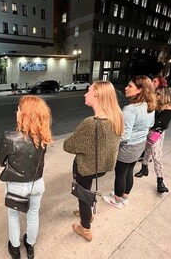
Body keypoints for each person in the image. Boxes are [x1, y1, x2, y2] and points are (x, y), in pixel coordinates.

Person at [63, 81, 124, 242]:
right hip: (103, 166)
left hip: (86, 167)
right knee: (87, 191)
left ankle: (86, 228)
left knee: (82, 195)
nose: (85, 93)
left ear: (97, 94)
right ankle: (87, 214)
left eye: (88, 90)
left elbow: (68, 146)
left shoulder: (91, 123)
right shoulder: (116, 117)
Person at [0, 95, 52, 259]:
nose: (17, 111)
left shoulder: (10, 137)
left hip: (16, 185)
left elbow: (1, 161)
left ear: (24, 114)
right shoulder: (44, 136)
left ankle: (15, 248)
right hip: (37, 184)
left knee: (13, 215)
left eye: (19, 108)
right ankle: (30, 246)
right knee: (33, 214)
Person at [103, 76, 156, 209]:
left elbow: (124, 135)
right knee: (129, 171)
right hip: (139, 145)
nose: (126, 88)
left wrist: (110, 142)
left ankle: (117, 200)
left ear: (140, 90)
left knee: (120, 173)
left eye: (130, 86)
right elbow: (151, 124)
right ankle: (124, 196)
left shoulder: (130, 109)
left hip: (127, 147)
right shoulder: (149, 105)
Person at [134, 87, 171, 193]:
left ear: (165, 96)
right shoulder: (157, 106)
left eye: (158, 94)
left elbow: (157, 122)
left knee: (156, 156)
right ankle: (144, 168)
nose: (156, 96)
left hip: (157, 133)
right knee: (147, 151)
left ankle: (160, 181)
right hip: (149, 131)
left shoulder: (169, 109)